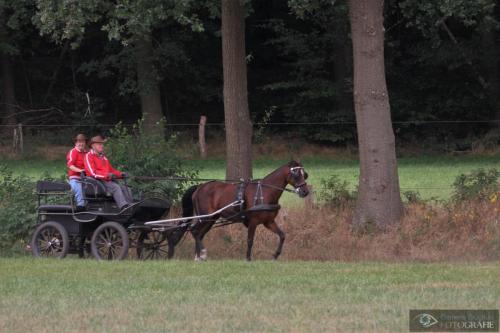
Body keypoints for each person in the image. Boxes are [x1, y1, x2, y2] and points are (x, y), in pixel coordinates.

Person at [84, 135, 133, 210]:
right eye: (99, 144)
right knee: (115, 187)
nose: (102, 146)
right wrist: (106, 175)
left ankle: (131, 207)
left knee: (125, 188)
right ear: (93, 145)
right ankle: (124, 208)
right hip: (97, 182)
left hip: (107, 180)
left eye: (102, 144)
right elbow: (92, 173)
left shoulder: (104, 158)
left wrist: (121, 174)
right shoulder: (88, 156)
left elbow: (111, 170)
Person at [66, 134, 88, 210]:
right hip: (75, 178)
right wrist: (80, 171)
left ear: (85, 143)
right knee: (78, 188)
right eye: (79, 142)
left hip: (86, 178)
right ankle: (81, 207)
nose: (81, 144)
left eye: (82, 142)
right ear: (75, 143)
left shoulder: (87, 153)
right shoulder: (73, 152)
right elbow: (70, 165)